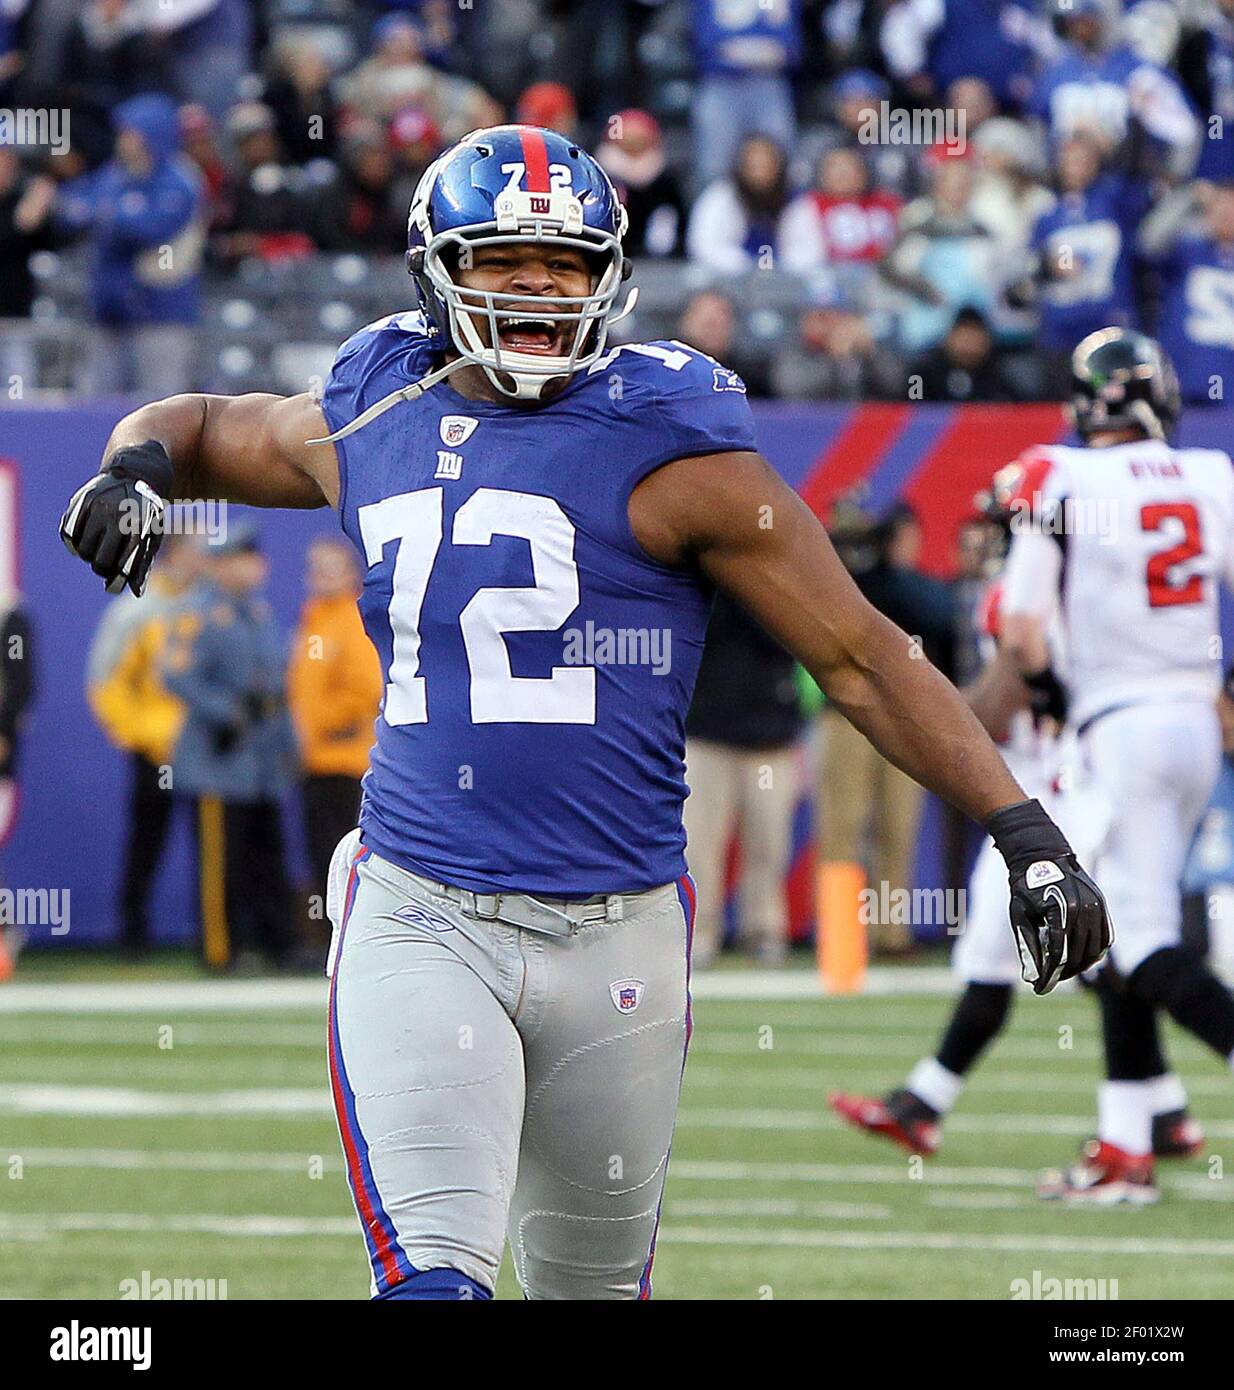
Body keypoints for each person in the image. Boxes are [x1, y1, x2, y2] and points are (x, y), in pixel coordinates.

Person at [60, 124, 1110, 1300]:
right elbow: (206, 421)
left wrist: (1024, 833)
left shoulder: (675, 443)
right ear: (436, 270)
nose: (539, 289)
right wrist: (134, 463)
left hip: (621, 930)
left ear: (609, 276)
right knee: (434, 1284)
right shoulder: (369, 399)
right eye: (507, 260)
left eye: (566, 264)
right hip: (423, 909)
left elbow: (861, 657)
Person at [830, 467, 1203, 1163]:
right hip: (1067, 780)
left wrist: (936, 719)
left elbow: (996, 709)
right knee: (1034, 956)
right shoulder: (1085, 590)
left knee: (1094, 952)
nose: (983, 540)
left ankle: (1147, 1116)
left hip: (1046, 793)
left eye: (996, 526)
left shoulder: (1024, 598)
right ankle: (1156, 1110)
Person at [1000, 328, 1234, 1201]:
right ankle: (1127, 1145)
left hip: (1118, 725)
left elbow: (1022, 628)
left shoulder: (1056, 474)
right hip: (1195, 722)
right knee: (1119, 932)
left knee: (1134, 939)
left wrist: (1057, 698)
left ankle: (1129, 1144)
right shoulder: (1210, 475)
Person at [160, 525, 297, 972]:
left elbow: (275, 691)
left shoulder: (257, 613)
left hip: (259, 761)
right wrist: (228, 710)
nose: (253, 566)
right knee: (222, 863)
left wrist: (287, 746)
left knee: (266, 855)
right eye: (241, 558)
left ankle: (282, 945)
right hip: (218, 759)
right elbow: (176, 674)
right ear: (219, 565)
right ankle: (221, 950)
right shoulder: (198, 613)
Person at [86, 531, 202, 957]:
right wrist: (142, 734)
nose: (202, 562)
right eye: (195, 553)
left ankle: (216, 935)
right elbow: (105, 682)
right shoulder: (137, 610)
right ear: (173, 556)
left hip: (205, 748)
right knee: (147, 840)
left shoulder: (207, 606)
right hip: (155, 752)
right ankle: (132, 931)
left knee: (214, 841)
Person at [683, 593, 804, 967]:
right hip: (706, 731)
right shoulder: (702, 578)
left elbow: (789, 637)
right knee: (700, 844)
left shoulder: (778, 577)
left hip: (770, 737)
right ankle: (700, 934)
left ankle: (764, 931)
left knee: (769, 843)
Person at [54, 93, 204, 396]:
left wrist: (105, 215)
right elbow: (68, 208)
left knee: (159, 410)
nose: (122, 140)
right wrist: (109, 214)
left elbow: (149, 229)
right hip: (108, 311)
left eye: (129, 133)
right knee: (96, 406)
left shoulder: (180, 178)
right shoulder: (115, 174)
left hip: (161, 313)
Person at [287, 538, 382, 902]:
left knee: (341, 855)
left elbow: (366, 689)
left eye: (331, 568)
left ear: (350, 573)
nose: (321, 576)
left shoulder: (351, 619)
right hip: (315, 760)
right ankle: (329, 940)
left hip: (344, 760)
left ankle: (345, 939)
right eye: (315, 568)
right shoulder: (315, 618)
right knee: (322, 857)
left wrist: (321, 726)